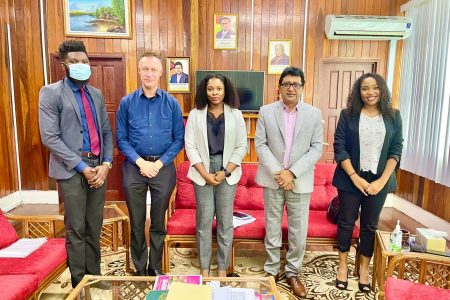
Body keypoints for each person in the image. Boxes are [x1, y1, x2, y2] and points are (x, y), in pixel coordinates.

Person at [39, 40, 113, 288]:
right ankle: (80, 281)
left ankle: (95, 275)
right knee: (76, 227)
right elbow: (50, 137)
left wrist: (106, 164)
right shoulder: (50, 93)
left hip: (98, 167)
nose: (80, 65)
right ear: (64, 66)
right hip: (70, 170)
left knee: (94, 224)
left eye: (83, 61)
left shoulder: (97, 94)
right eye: (74, 62)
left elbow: (105, 131)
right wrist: (81, 167)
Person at [255, 66, 323, 298]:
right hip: (273, 180)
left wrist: (291, 173)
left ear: (302, 88)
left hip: (300, 181)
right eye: (287, 84)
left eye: (296, 84)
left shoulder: (314, 114)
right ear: (280, 87)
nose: (291, 88)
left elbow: (316, 149)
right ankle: (272, 269)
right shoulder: (266, 111)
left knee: (298, 230)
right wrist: (279, 172)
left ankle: (293, 272)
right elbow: (260, 144)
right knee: (272, 226)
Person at [332, 73, 403, 293]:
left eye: (374, 88)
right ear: (358, 91)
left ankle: (364, 269)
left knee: (369, 226)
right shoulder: (348, 115)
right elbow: (339, 147)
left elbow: (396, 150)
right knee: (345, 222)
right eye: (364, 88)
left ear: (382, 90)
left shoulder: (393, 116)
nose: (370, 92)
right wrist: (355, 177)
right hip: (350, 178)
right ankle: (342, 267)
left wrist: (382, 181)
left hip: (379, 181)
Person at [116, 52, 184, 276]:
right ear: (139, 71)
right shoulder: (127, 103)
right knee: (136, 221)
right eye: (145, 69)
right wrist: (140, 162)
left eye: (153, 70)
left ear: (161, 73)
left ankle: (154, 266)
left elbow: (178, 139)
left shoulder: (172, 104)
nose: (149, 74)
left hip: (163, 169)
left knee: (157, 221)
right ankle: (139, 267)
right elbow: (121, 139)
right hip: (134, 168)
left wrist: (160, 163)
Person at [185, 74, 247, 278]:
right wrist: (204, 174)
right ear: (205, 91)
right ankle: (204, 268)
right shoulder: (195, 114)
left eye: (218, 89)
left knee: (225, 221)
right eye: (210, 89)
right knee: (203, 220)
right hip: (201, 168)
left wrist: (225, 171)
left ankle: (222, 268)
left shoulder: (236, 114)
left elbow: (241, 146)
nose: (214, 93)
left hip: (227, 170)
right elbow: (190, 146)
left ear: (225, 90)